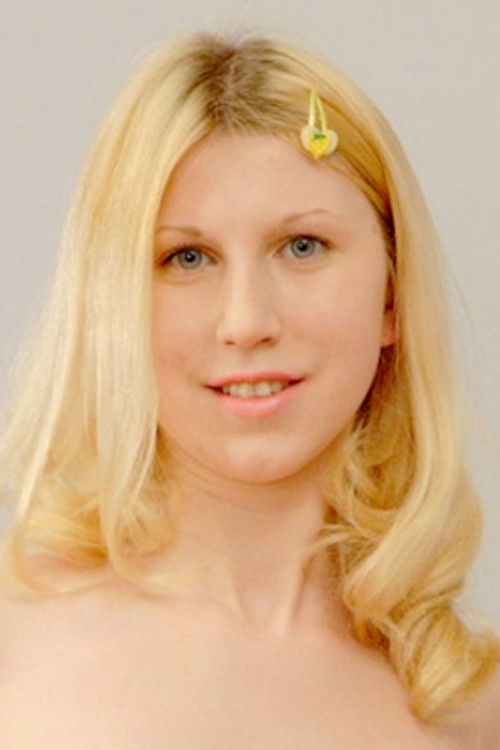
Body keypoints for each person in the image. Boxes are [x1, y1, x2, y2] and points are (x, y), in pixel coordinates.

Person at [0, 30, 498, 748]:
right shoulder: (14, 644)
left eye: (302, 247)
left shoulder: (464, 702)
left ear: (393, 294)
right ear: (113, 301)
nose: (246, 323)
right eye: (188, 257)